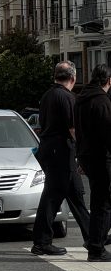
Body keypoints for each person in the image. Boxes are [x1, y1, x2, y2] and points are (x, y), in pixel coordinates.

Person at [31, 61, 90, 256]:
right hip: (61, 152)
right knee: (52, 197)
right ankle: (41, 241)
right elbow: (73, 129)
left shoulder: (48, 95)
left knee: (76, 194)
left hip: (50, 150)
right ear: (73, 78)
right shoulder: (67, 97)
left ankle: (92, 236)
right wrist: (83, 154)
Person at [74, 64, 111, 262]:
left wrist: (80, 156)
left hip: (87, 157)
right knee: (102, 203)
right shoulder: (102, 101)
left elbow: (78, 132)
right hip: (101, 158)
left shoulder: (81, 100)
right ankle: (96, 246)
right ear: (109, 81)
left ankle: (96, 239)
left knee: (101, 202)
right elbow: (108, 133)